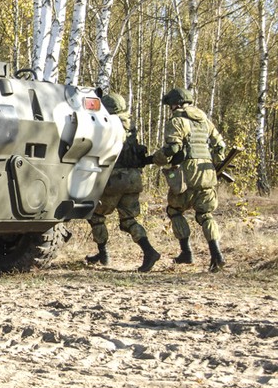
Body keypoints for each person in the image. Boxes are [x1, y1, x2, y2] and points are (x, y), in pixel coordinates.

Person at [152, 87, 227, 272]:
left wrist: (156, 158)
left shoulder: (178, 120)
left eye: (170, 105)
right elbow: (220, 146)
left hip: (187, 173)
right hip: (207, 171)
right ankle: (217, 255)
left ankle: (186, 252)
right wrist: (214, 163)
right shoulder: (205, 121)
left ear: (176, 104)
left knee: (174, 210)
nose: (170, 108)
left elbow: (173, 148)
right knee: (205, 215)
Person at [85, 92, 161, 272]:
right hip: (133, 179)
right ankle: (149, 251)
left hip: (115, 179)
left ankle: (103, 253)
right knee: (128, 219)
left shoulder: (107, 124)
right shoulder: (130, 125)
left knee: (94, 215)